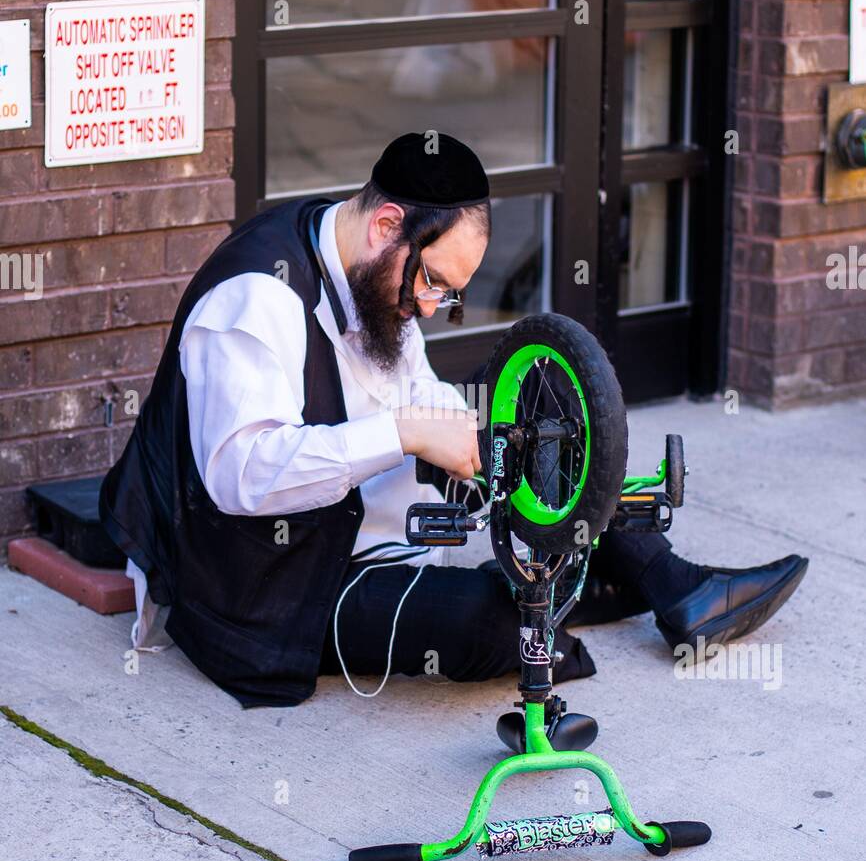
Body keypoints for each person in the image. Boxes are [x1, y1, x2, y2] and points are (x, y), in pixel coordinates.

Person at [100, 133, 807, 709]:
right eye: (434, 283)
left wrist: (487, 441)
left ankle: (676, 587)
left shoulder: (377, 272)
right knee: (487, 624)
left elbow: (418, 389)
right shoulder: (257, 300)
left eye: (451, 293)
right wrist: (405, 434)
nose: (434, 306)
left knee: (544, 440)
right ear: (387, 226)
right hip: (269, 587)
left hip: (364, 527)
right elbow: (241, 479)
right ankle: (583, 595)